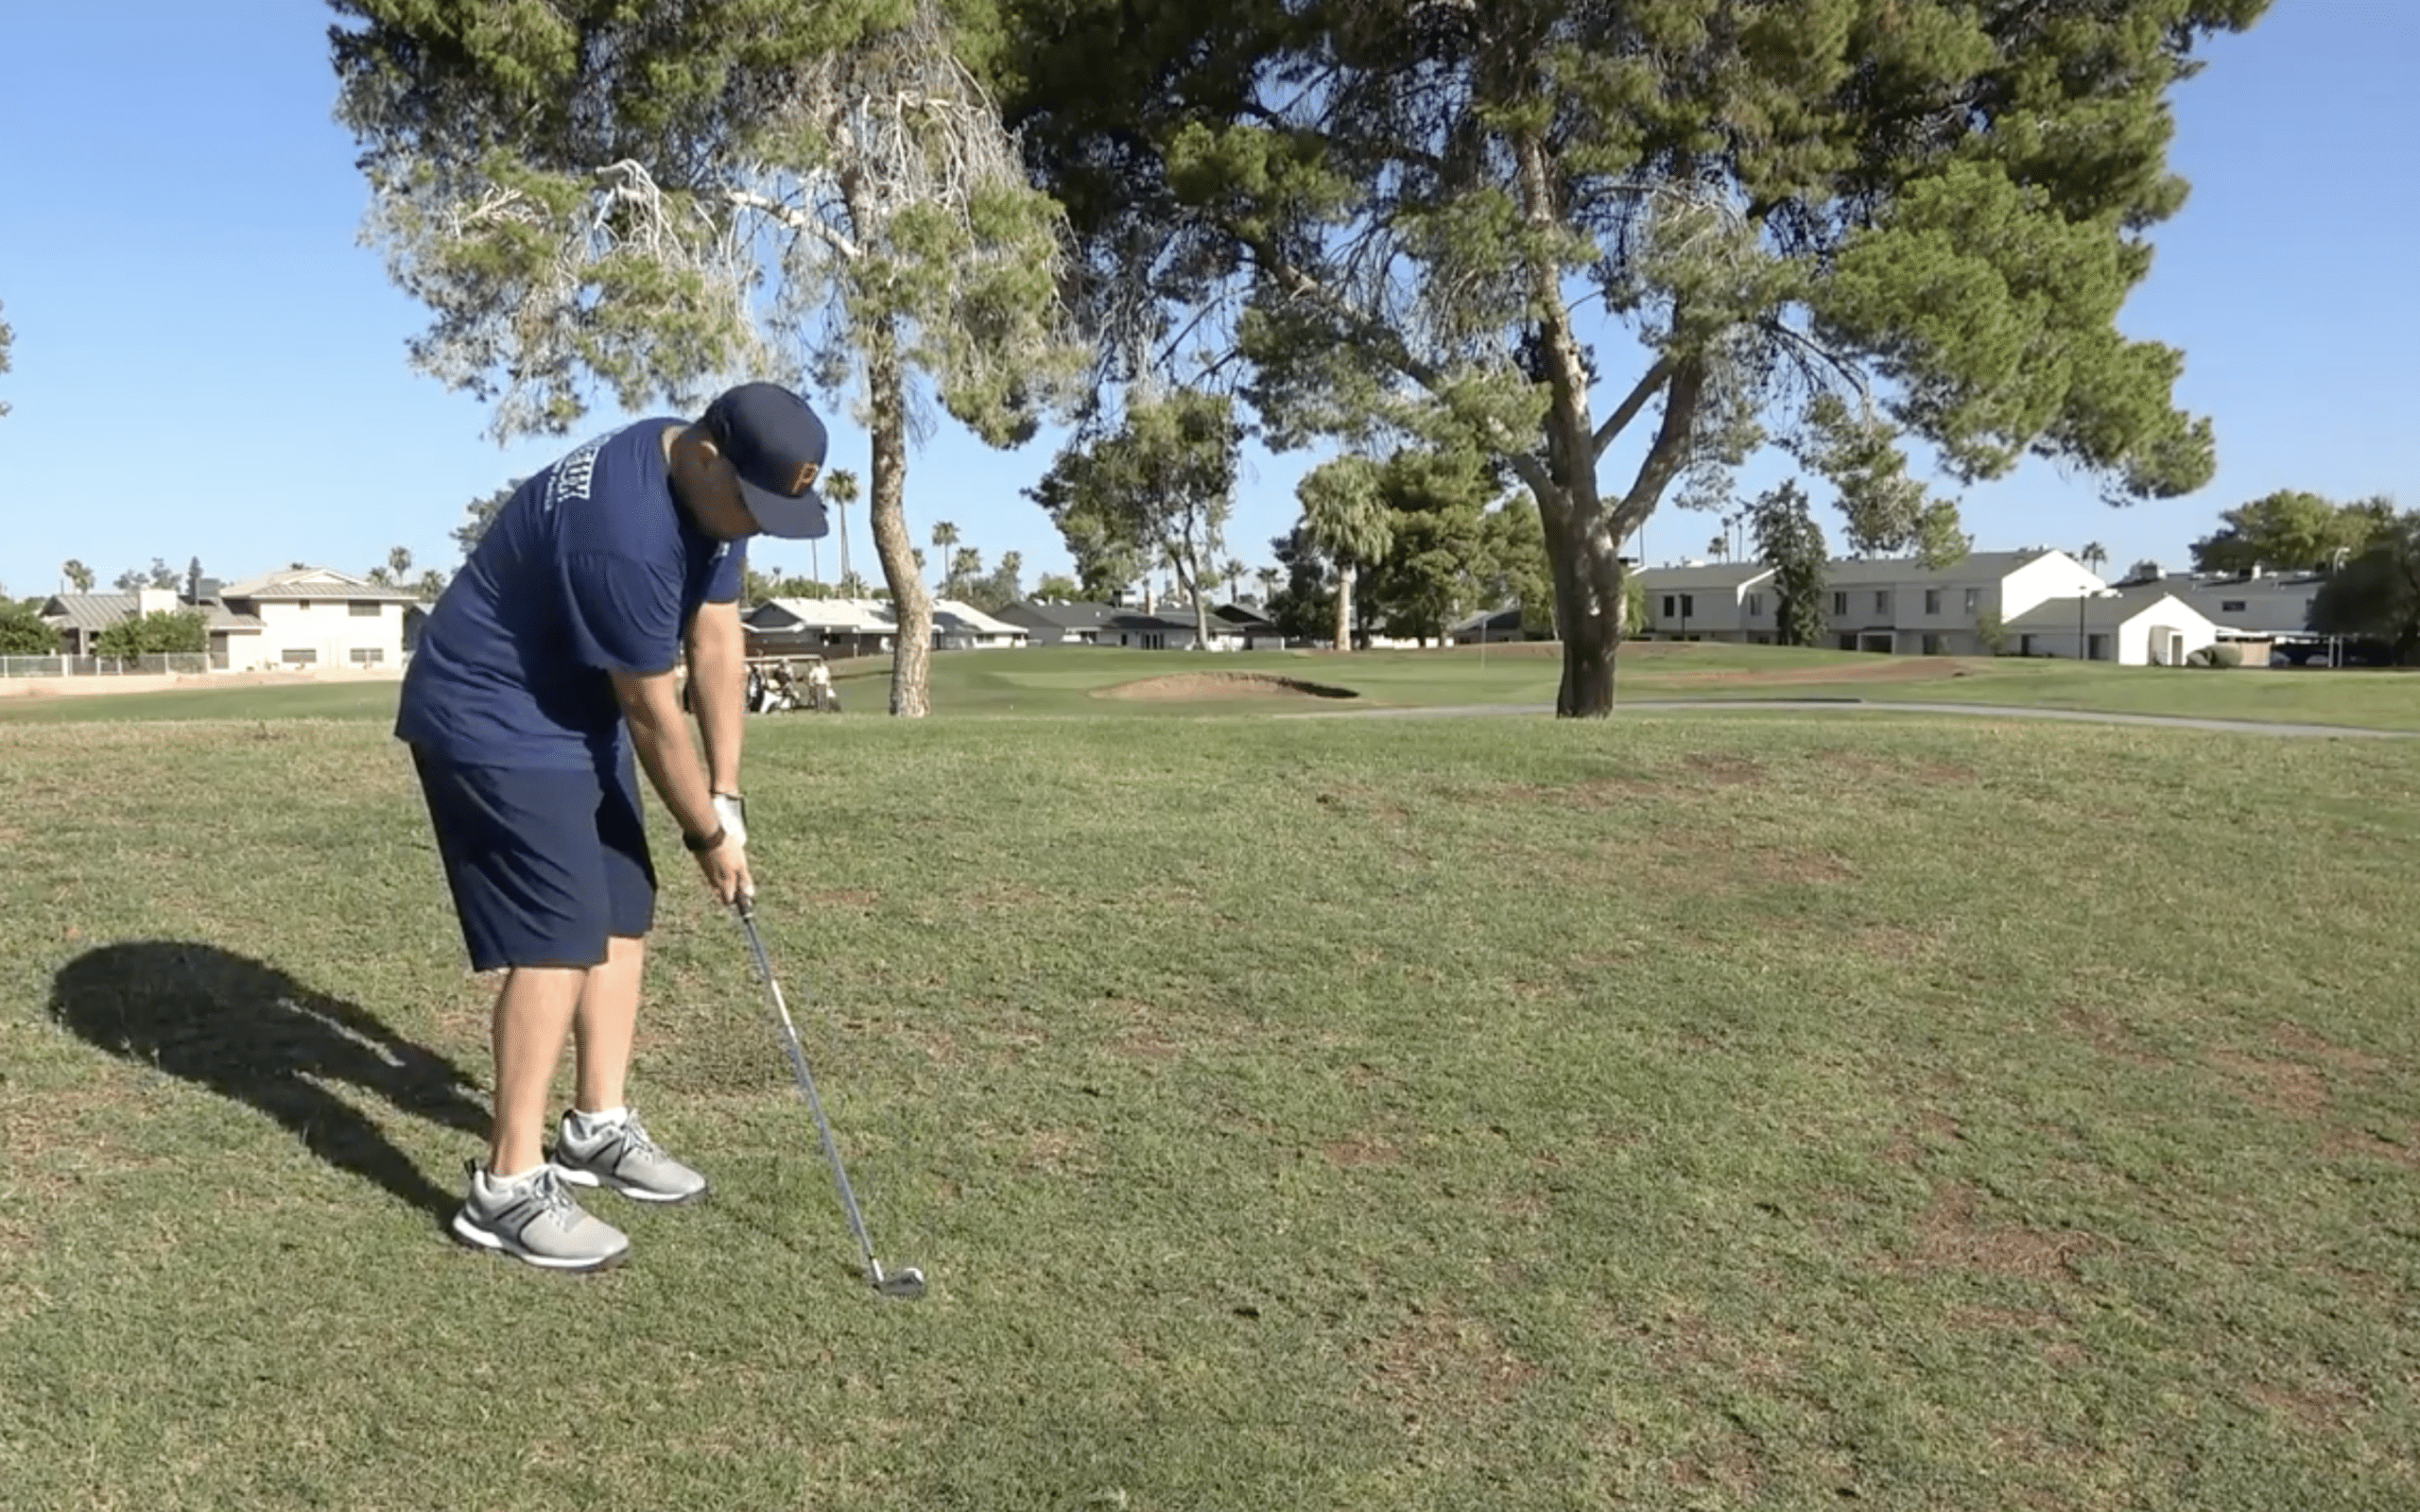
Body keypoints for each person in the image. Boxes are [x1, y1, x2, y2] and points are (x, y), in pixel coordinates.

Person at [396, 381, 833, 1273]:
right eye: (753, 506)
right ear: (710, 456)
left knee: (622, 902)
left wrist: (729, 794)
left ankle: (595, 1127)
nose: (754, 527)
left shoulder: (709, 500)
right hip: (491, 711)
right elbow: (649, 712)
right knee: (558, 934)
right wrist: (708, 838)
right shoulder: (626, 535)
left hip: (571, 708)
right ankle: (506, 1189)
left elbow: (717, 643)